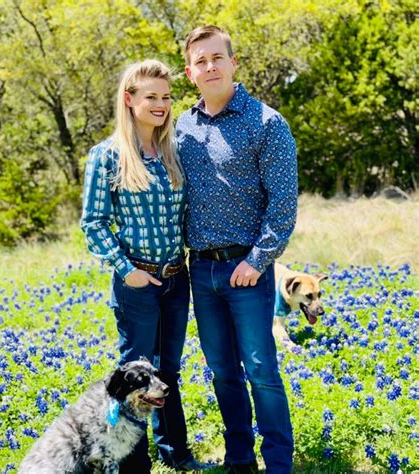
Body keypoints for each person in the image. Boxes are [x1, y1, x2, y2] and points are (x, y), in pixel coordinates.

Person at [176, 26, 298, 474]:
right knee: (223, 371)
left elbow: (283, 205)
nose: (210, 67)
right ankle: (239, 459)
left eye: (217, 58)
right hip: (200, 268)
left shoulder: (266, 122)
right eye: (200, 61)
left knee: (261, 369)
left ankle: (278, 463)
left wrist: (257, 260)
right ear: (190, 73)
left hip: (247, 268)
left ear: (233, 63)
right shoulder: (183, 126)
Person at [81, 59, 204, 473]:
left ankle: (176, 453)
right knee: (136, 377)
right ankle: (134, 464)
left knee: (167, 372)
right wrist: (125, 269)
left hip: (175, 277)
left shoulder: (173, 152)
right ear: (129, 99)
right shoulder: (107, 156)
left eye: (166, 97)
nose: (161, 104)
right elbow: (93, 223)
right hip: (136, 279)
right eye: (151, 96)